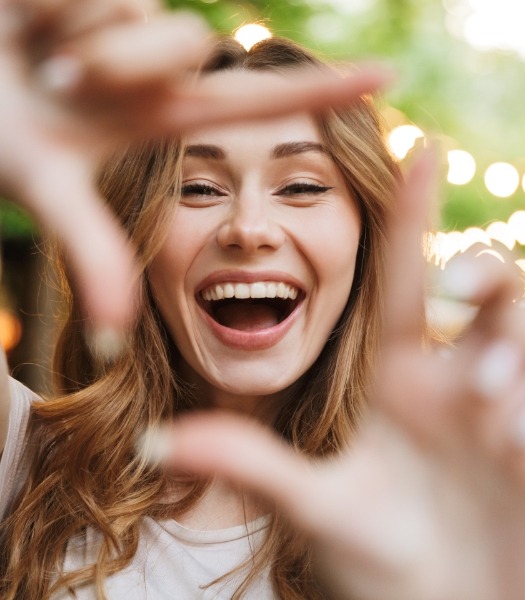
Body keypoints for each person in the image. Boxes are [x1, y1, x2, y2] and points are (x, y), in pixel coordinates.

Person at [3, 5, 525, 600]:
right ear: (137, 233)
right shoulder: (27, 460)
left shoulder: (462, 501)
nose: (248, 228)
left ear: (366, 235)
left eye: (302, 186)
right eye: (197, 188)